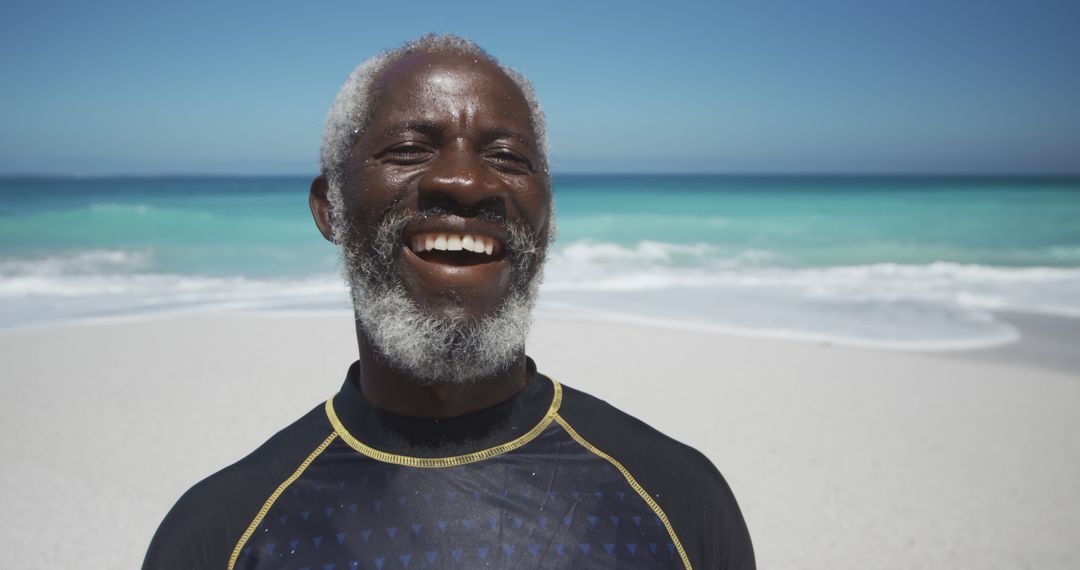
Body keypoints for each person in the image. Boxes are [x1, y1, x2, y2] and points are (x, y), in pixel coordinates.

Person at [143, 34, 754, 570]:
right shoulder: (222, 533)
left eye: (507, 158)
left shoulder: (678, 498)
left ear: (549, 219)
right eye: (410, 149)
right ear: (329, 207)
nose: (466, 181)